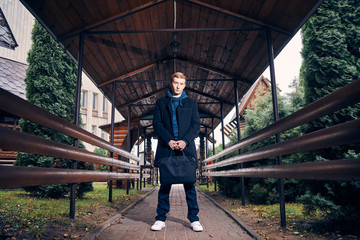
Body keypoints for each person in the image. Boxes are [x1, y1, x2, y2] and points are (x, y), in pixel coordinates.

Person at [150, 72, 203, 232]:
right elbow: (157, 124)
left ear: (184, 85)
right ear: (171, 83)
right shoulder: (161, 102)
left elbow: (196, 125)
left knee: (189, 184)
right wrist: (169, 141)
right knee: (165, 184)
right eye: (175, 82)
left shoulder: (191, 103)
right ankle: (160, 218)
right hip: (167, 148)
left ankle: (194, 219)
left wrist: (185, 141)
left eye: (181, 83)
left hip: (186, 149)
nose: (178, 86)